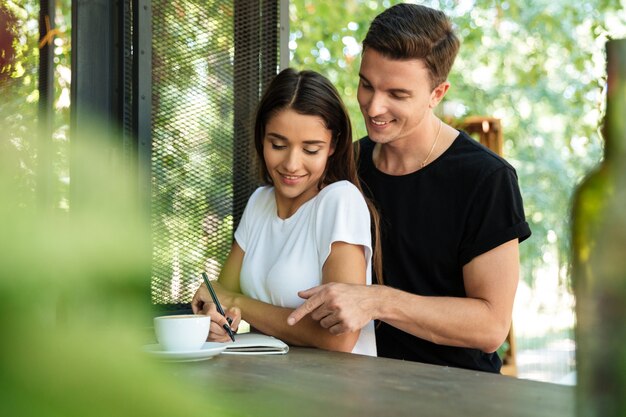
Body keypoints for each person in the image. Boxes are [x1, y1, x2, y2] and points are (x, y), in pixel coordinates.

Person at [287, 3, 531, 373]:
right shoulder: (345, 166)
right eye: (366, 84)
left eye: (397, 94)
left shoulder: (486, 179)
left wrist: (378, 301)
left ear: (437, 94)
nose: (373, 106)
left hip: (456, 394)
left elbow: (491, 326)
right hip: (358, 387)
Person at [191, 68, 381, 356]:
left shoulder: (340, 201)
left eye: (311, 149)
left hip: (335, 392)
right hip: (266, 384)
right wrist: (215, 318)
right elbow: (221, 296)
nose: (292, 164)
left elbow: (338, 339)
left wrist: (238, 303)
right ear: (261, 138)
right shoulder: (260, 202)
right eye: (278, 145)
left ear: (333, 146)